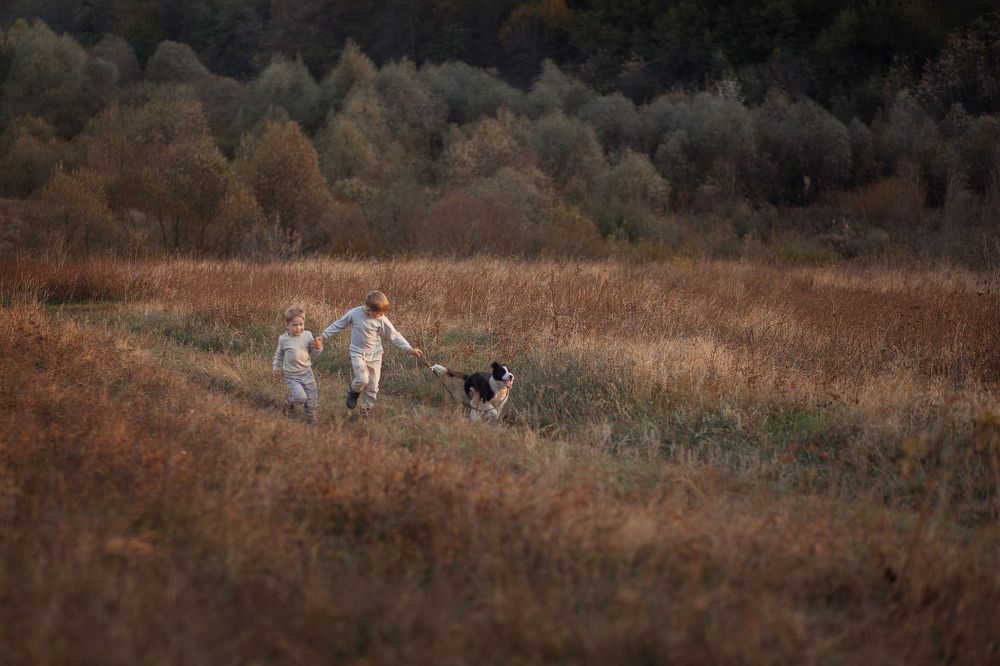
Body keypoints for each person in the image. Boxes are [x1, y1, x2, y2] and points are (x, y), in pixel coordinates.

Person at [316, 290, 423, 416]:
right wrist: (323, 336)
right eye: (378, 313)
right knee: (362, 379)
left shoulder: (381, 319)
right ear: (368, 309)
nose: (381, 315)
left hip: (375, 355)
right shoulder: (354, 314)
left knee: (373, 386)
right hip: (357, 353)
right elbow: (338, 324)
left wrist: (409, 349)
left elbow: (394, 335)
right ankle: (354, 391)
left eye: (383, 313)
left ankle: (366, 409)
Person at [272, 306, 322, 424]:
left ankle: (310, 419)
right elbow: (279, 355)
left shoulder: (307, 335)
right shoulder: (284, 339)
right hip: (292, 375)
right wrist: (276, 368)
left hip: (307, 373)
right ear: (287, 325)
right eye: (294, 325)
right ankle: (290, 403)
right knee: (300, 397)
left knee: (311, 397)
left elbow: (313, 353)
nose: (298, 328)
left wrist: (318, 347)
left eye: (301, 324)